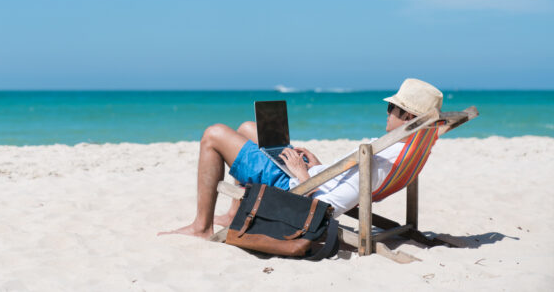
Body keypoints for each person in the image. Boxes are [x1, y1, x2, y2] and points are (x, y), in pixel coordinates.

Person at [159, 78, 443, 239]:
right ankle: (234, 213)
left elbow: (328, 206)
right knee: (248, 128)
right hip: (312, 179)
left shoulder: (382, 158)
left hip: (297, 190)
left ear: (407, 117)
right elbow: (345, 183)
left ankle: (201, 226)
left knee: (214, 134)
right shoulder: (402, 148)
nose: (387, 112)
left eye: (392, 108)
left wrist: (301, 174)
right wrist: (316, 165)